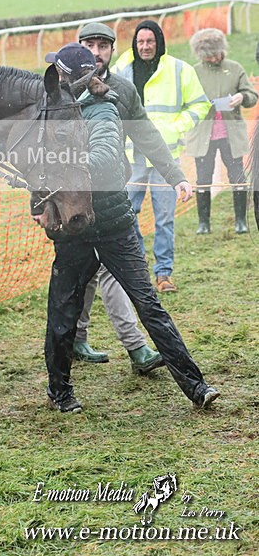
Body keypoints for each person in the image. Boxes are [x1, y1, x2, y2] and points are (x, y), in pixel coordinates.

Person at [34, 43, 219, 413]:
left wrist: (62, 163)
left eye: (59, 72)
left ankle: (196, 387)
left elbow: (103, 159)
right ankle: (60, 393)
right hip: (74, 229)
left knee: (149, 304)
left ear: (74, 79)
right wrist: (36, 201)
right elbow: (35, 166)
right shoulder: (53, 112)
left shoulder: (103, 109)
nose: (53, 77)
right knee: (62, 311)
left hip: (115, 224)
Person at [72, 21, 192, 373]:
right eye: (89, 44)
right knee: (83, 271)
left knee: (110, 269)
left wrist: (175, 176)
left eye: (102, 46)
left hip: (110, 195)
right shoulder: (59, 87)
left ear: (112, 50)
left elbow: (147, 135)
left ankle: (137, 347)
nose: (96, 52)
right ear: (78, 46)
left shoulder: (122, 90)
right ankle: (75, 338)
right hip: (72, 198)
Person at [113, 20, 210, 292]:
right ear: (135, 43)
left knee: (164, 218)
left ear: (159, 42)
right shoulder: (120, 70)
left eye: (150, 42)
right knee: (126, 214)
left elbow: (201, 103)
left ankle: (164, 274)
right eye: (140, 42)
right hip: (131, 159)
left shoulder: (180, 70)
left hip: (166, 158)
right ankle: (135, 269)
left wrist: (175, 127)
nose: (145, 47)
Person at [186, 28, 258, 235]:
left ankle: (241, 221)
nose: (213, 57)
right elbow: (185, 100)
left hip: (231, 135)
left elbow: (251, 95)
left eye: (215, 52)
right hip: (203, 136)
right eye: (207, 54)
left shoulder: (235, 69)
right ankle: (203, 223)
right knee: (203, 178)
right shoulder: (194, 72)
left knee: (237, 176)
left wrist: (242, 98)